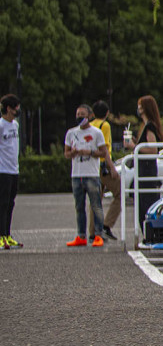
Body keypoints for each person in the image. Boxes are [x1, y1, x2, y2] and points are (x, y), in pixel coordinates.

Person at [65, 104, 108, 247]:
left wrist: (89, 152)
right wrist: (73, 153)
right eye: (78, 114)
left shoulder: (96, 133)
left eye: (82, 115)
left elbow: (103, 152)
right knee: (79, 207)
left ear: (89, 116)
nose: (79, 117)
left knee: (96, 206)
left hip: (92, 174)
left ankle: (98, 235)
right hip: (77, 174)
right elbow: (66, 153)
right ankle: (81, 235)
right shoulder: (71, 133)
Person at [91, 100, 120, 240]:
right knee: (120, 194)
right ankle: (107, 225)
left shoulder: (90, 125)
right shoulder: (105, 125)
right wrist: (112, 167)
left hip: (93, 166)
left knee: (95, 200)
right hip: (104, 166)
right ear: (107, 113)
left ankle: (93, 232)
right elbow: (105, 148)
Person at [133, 95, 163, 231]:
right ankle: (148, 233)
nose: (138, 108)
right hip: (145, 169)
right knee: (143, 203)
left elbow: (153, 149)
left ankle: (149, 233)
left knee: (145, 204)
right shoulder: (148, 126)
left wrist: (135, 147)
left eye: (140, 106)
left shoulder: (149, 126)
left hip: (146, 171)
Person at [1, 94, 21, 249]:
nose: (18, 110)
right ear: (9, 108)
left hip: (14, 169)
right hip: (2, 170)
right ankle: (1, 236)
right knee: (2, 204)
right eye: (16, 108)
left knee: (10, 204)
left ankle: (7, 235)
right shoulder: (1, 125)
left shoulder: (15, 125)